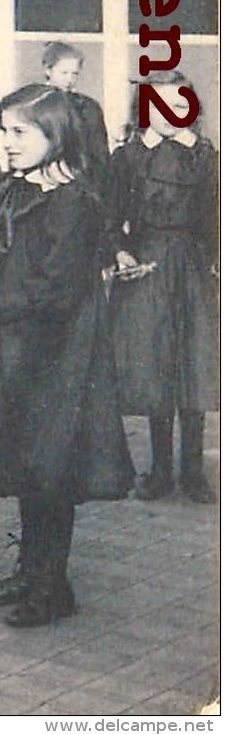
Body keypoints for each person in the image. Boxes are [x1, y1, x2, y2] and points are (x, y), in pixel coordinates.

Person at [0, 84, 133, 628]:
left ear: (54, 135)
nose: (8, 144)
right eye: (4, 132)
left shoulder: (74, 203)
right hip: (13, 348)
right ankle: (29, 572)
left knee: (50, 467)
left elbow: (58, 290)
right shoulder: (10, 189)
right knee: (25, 460)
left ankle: (51, 587)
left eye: (20, 132)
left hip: (57, 355)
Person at [106, 73, 218, 503]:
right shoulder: (129, 157)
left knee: (194, 363)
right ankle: (159, 469)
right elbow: (110, 216)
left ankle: (193, 471)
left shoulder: (206, 156)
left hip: (193, 268)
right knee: (155, 365)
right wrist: (119, 252)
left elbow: (216, 215)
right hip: (148, 265)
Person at [41, 42, 110, 187]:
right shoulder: (33, 105)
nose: (69, 79)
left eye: (74, 74)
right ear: (48, 70)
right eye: (64, 73)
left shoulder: (88, 107)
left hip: (79, 184)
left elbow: (99, 155)